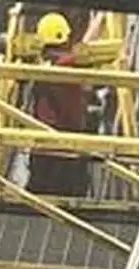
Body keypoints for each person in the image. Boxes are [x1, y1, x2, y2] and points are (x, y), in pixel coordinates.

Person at [27, 12, 91, 198]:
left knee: (40, 192)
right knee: (70, 193)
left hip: (42, 142)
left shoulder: (42, 64)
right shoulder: (67, 65)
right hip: (66, 142)